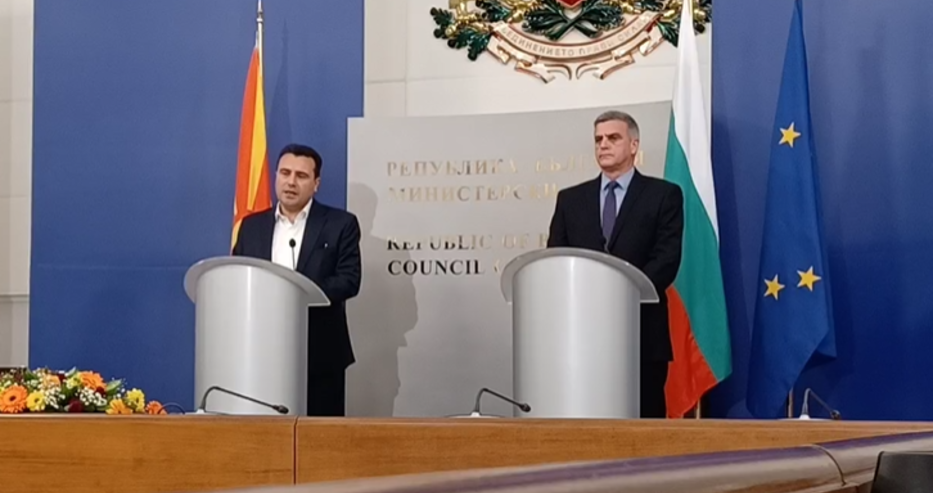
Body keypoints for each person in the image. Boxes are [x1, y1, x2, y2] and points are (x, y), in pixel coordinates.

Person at [546, 111, 684, 418]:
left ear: (634, 145)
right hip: (583, 337)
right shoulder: (570, 200)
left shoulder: (663, 196)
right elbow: (557, 260)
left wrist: (619, 295)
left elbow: (666, 260)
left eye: (613, 138)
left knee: (643, 424)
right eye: (598, 139)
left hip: (642, 336)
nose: (603, 145)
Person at [233, 143, 362, 417]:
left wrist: (296, 294)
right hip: (260, 351)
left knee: (319, 436)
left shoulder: (340, 224)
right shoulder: (252, 226)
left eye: (301, 176)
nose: (291, 182)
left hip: (320, 353)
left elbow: (349, 280)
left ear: (316, 184)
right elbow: (238, 277)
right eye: (285, 173)